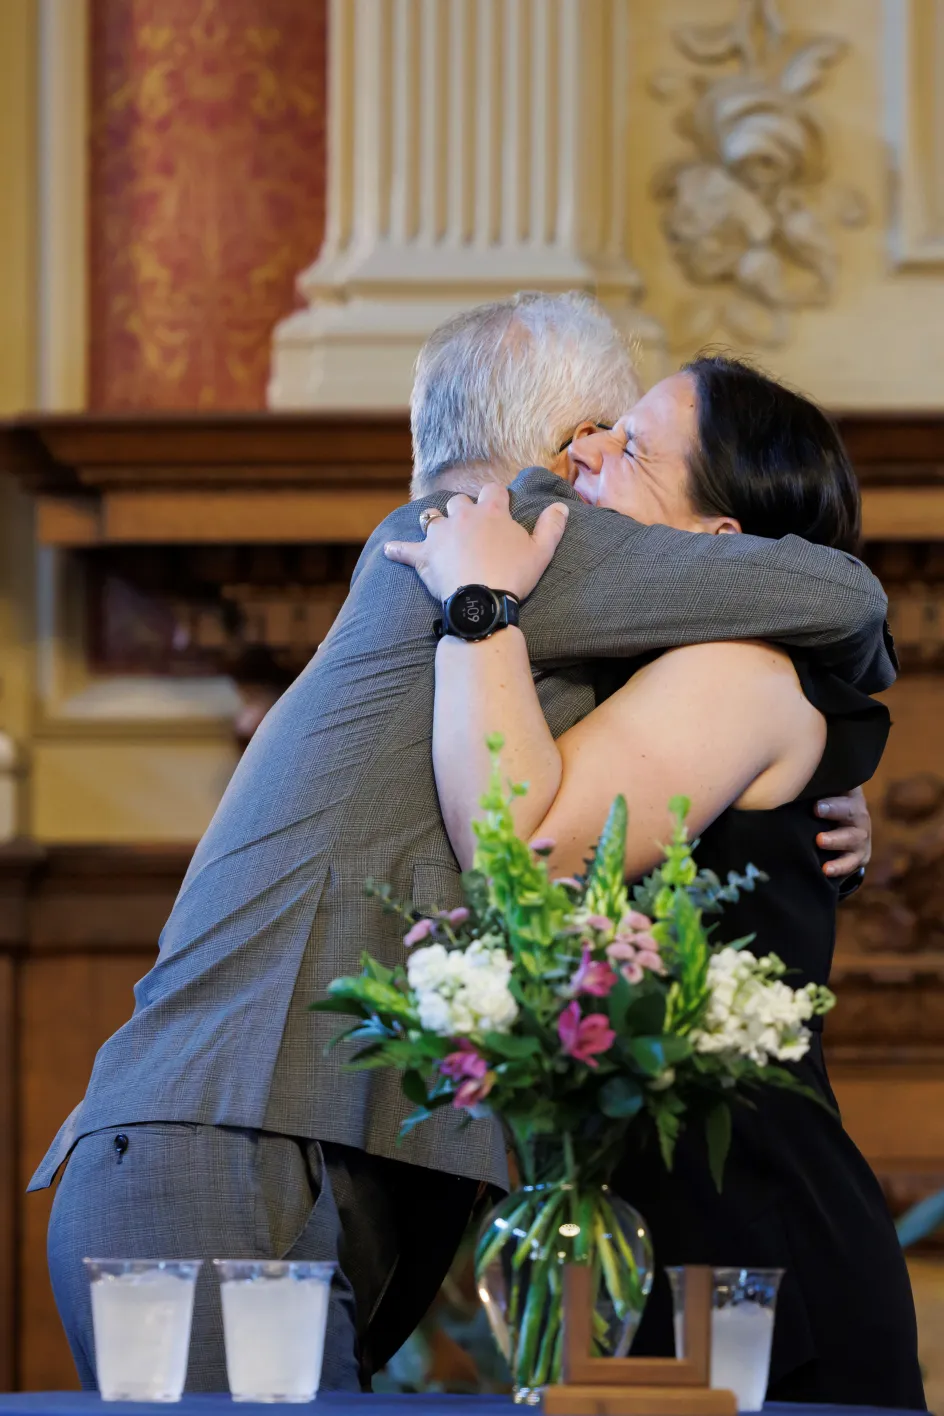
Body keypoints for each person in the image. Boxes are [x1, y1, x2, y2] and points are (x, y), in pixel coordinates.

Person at [32, 298, 882, 1394]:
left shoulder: (488, 585)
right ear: (560, 435)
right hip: (228, 1144)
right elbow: (833, 587)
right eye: (602, 432)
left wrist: (795, 784)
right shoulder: (509, 527)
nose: (594, 456)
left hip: (244, 1143)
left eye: (621, 444)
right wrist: (843, 707)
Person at [384, 355, 924, 1409]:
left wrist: (476, 604)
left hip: (745, 1242)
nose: (578, 452)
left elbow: (516, 856)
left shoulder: (736, 667)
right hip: (648, 1216)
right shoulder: (686, 677)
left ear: (717, 549)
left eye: (625, 447)